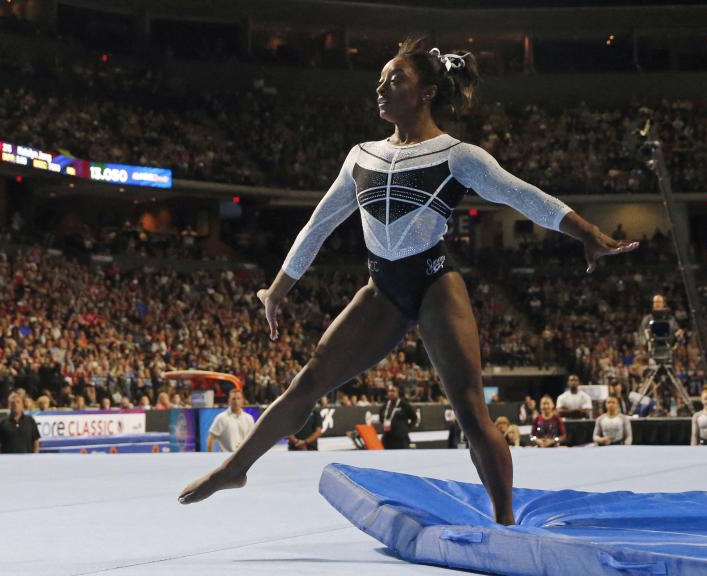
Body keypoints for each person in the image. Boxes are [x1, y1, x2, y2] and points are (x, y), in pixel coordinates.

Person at [178, 38, 637, 526]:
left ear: (427, 93)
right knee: (308, 381)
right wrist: (277, 290)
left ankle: (505, 521)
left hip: (436, 283)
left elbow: (526, 197)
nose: (381, 88)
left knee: (469, 408)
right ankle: (234, 468)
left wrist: (586, 233)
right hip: (383, 290)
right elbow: (318, 225)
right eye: (379, 81)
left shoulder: (459, 156)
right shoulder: (361, 157)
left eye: (395, 79)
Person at [378, 384, 416, 450]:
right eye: (389, 391)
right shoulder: (384, 406)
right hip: (387, 439)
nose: (391, 393)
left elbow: (414, 418)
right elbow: (381, 419)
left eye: (393, 391)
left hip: (401, 440)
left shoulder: (404, 405)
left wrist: (406, 429)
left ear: (398, 393)